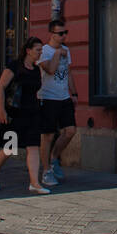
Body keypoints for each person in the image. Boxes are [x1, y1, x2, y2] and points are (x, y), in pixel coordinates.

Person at [0, 36, 49, 194]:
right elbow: (1, 87)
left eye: (41, 50)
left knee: (33, 146)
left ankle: (34, 183)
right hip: (14, 113)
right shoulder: (15, 66)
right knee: (9, 148)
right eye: (38, 50)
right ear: (28, 51)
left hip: (32, 112)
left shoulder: (36, 69)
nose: (41, 52)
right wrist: (1, 110)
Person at [38, 19, 76, 187]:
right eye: (60, 33)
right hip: (48, 98)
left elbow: (68, 73)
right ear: (51, 34)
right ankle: (46, 171)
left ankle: (54, 158)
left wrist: (73, 93)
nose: (63, 36)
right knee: (48, 136)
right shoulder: (44, 51)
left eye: (65, 33)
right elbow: (51, 70)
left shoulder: (66, 50)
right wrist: (56, 54)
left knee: (70, 131)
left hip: (64, 97)